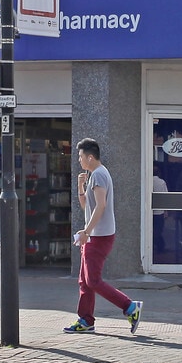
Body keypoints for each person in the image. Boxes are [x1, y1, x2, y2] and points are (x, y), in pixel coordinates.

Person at [64, 139, 144, 335]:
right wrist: (80, 186)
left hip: (98, 236)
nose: (79, 160)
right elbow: (87, 207)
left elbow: (101, 206)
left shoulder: (99, 175)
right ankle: (86, 320)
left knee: (93, 281)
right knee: (84, 281)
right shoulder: (94, 175)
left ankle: (130, 307)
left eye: (81, 156)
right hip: (95, 235)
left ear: (90, 157)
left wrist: (87, 232)